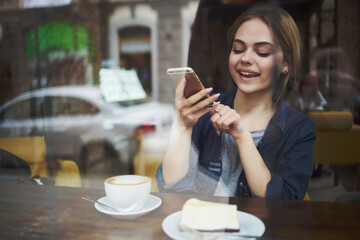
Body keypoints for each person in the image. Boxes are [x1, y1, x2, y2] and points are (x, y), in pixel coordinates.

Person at [156, 3, 316, 200]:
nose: (246, 58)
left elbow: (286, 204)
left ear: (285, 65)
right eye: (238, 49)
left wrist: (242, 137)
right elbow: (172, 188)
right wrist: (182, 125)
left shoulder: (299, 128)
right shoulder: (205, 110)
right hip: (204, 227)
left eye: (263, 52)